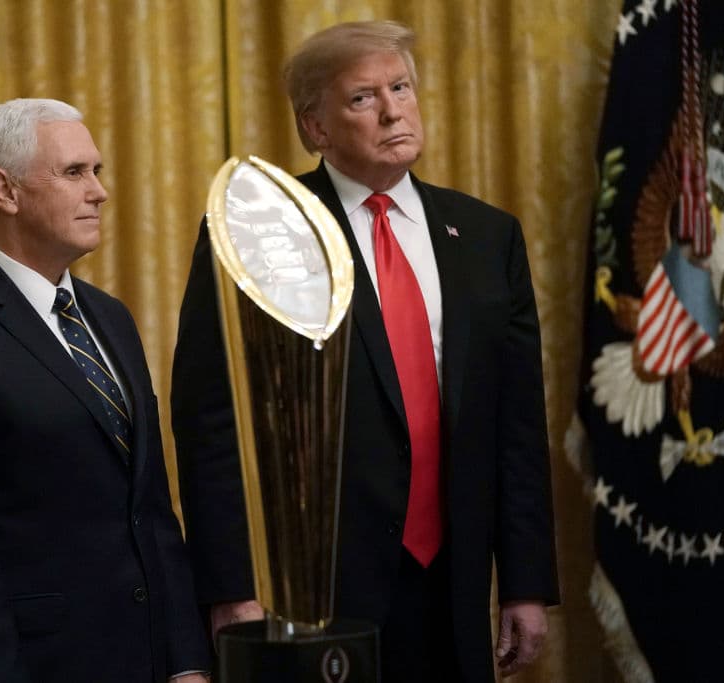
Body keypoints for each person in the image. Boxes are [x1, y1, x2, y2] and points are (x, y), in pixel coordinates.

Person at [171, 21, 558, 682]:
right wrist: (230, 586)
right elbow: (210, 418)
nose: (393, 109)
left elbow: (517, 423)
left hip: (455, 580)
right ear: (315, 127)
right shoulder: (264, 229)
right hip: (316, 589)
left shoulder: (489, 236)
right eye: (362, 98)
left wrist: (523, 581)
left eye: (401, 87)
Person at [0, 98, 209, 683]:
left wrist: (186, 659)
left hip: (144, 659)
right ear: (5, 191)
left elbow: (152, 510)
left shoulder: (109, 318)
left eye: (97, 171)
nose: (100, 192)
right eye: (74, 173)